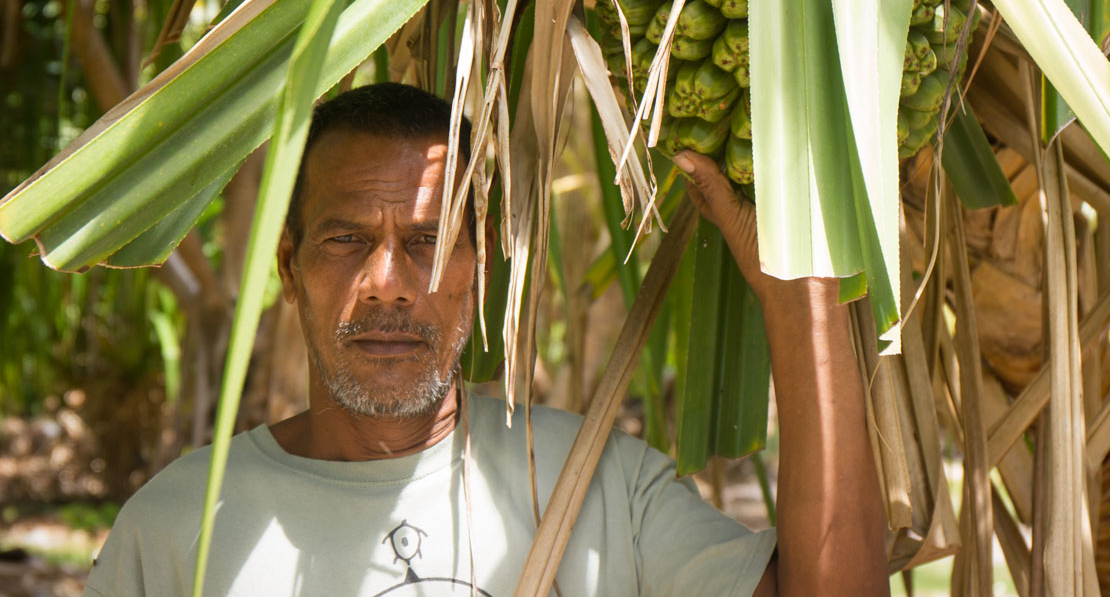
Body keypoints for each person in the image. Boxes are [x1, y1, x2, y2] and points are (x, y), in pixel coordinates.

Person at [84, 83, 887, 596]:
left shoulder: (595, 486)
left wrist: (797, 299)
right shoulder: (176, 529)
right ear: (289, 270)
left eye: (429, 241)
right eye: (344, 240)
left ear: (483, 263)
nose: (389, 281)